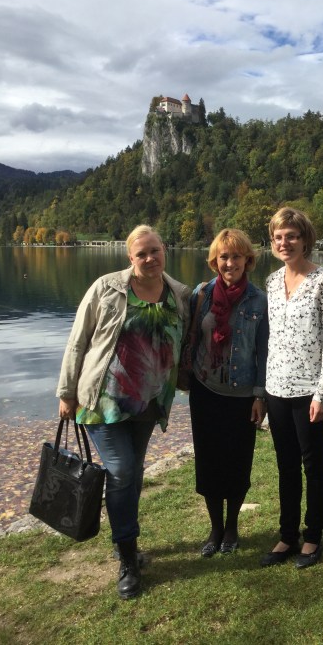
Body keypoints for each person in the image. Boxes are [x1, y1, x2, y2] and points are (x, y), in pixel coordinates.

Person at [57, 225, 191, 599]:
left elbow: (184, 342)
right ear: (130, 257)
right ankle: (128, 560)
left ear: (164, 250)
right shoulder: (106, 288)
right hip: (104, 399)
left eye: (154, 250)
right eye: (141, 253)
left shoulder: (179, 294)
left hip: (149, 402)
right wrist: (67, 392)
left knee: (133, 474)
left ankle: (123, 540)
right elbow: (78, 340)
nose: (149, 258)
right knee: (121, 470)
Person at [261, 208, 323, 569]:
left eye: (292, 236)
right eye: (279, 237)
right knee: (285, 466)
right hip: (277, 388)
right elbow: (273, 340)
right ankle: (287, 535)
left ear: (305, 240)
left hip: (311, 391)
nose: (285, 243)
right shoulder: (271, 282)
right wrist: (263, 392)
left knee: (312, 464)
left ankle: (312, 536)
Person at [188, 228, 268, 557]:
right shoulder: (201, 294)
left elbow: (264, 352)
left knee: (237, 462)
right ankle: (215, 528)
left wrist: (260, 395)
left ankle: (232, 526)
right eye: (224, 257)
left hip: (242, 395)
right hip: (205, 391)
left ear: (248, 260)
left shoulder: (259, 300)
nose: (230, 263)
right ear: (214, 261)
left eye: (236, 256)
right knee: (208, 462)